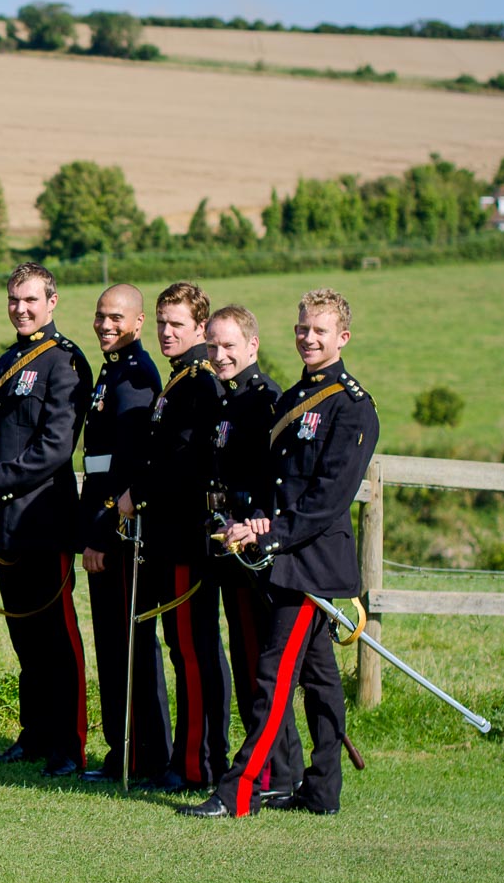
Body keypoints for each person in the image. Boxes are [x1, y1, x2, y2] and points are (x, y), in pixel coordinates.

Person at [183, 288, 378, 818]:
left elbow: (327, 500)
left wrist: (268, 535)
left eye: (319, 331)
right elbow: (276, 486)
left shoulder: (352, 406)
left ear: (343, 337)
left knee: (271, 675)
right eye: (302, 328)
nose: (308, 339)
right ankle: (321, 790)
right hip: (284, 558)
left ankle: (238, 792)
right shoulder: (293, 398)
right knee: (318, 679)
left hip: (312, 564)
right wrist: (252, 523)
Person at [0, 263, 93, 777]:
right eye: (14, 299)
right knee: (25, 636)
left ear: (52, 301)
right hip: (6, 522)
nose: (21, 308)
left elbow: (54, 449)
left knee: (57, 637)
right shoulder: (11, 358)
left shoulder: (65, 362)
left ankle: (70, 743)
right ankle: (36, 732)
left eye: (31, 300)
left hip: (44, 518)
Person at [118, 281, 230, 791]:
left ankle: (199, 764)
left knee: (193, 650)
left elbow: (182, 463)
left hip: (187, 538)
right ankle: (187, 759)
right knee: (182, 648)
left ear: (200, 329)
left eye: (177, 324)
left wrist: (135, 493)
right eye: (161, 323)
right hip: (167, 536)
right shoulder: (179, 380)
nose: (166, 332)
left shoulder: (200, 383)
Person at [203, 305, 303, 798]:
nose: (219, 355)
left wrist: (254, 522)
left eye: (228, 346)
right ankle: (280, 770)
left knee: (258, 663)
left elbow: (273, 481)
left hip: (255, 547)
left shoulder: (266, 401)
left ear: (252, 346)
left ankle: (277, 774)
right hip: (228, 542)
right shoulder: (228, 399)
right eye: (213, 346)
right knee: (246, 658)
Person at [77, 284, 172, 784]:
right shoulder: (113, 370)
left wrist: (100, 533)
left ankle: (148, 756)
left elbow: (128, 469)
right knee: (113, 646)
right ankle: (123, 754)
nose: (105, 324)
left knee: (131, 648)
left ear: (137, 323)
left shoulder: (135, 377)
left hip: (116, 532)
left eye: (116, 317)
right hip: (102, 519)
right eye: (99, 316)